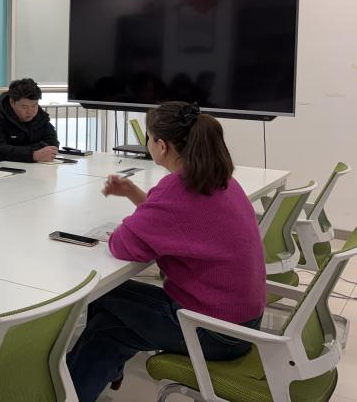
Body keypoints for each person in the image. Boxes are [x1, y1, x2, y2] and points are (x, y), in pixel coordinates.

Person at [66, 101, 266, 401]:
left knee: (101, 303)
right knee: (109, 321)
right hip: (241, 323)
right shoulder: (219, 179)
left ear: (161, 146)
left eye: (149, 137)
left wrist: (132, 218)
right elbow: (176, 220)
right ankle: (92, 380)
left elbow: (123, 244)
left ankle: (71, 388)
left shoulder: (178, 187)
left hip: (212, 330)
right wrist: (133, 193)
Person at [0, 77, 60, 162]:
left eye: (34, 105)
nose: (30, 111)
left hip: (38, 167)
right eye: (24, 107)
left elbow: (53, 144)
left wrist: (20, 151)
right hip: (7, 168)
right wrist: (33, 155)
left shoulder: (40, 116)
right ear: (12, 102)